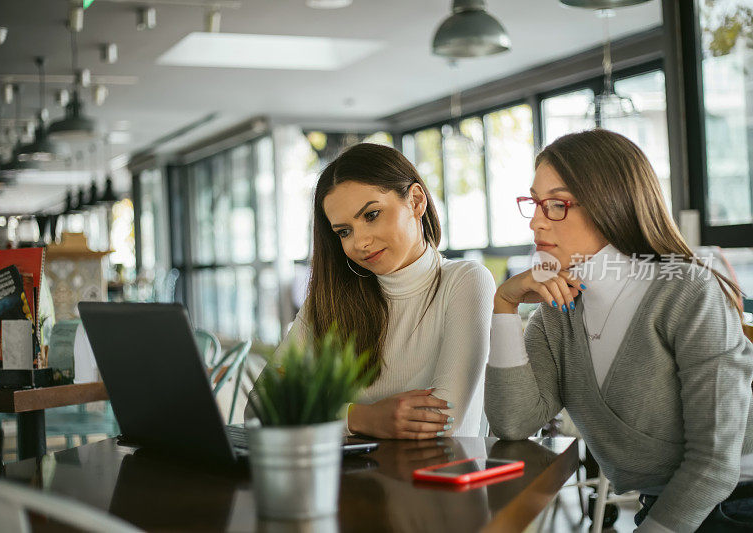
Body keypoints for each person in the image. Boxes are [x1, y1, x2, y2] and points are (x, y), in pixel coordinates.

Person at [486, 129, 753, 532]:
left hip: (735, 503)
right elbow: (513, 421)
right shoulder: (557, 311)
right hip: (668, 507)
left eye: (556, 204)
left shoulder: (684, 291)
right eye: (535, 203)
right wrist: (503, 306)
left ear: (610, 204)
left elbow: (714, 463)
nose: (537, 221)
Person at [273, 142, 495, 439]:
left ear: (416, 200)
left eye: (371, 215)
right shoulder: (330, 299)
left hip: (434, 480)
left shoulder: (465, 280)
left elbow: (440, 420)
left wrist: (326, 413)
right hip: (348, 482)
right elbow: (262, 408)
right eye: (344, 232)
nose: (360, 242)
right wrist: (361, 417)